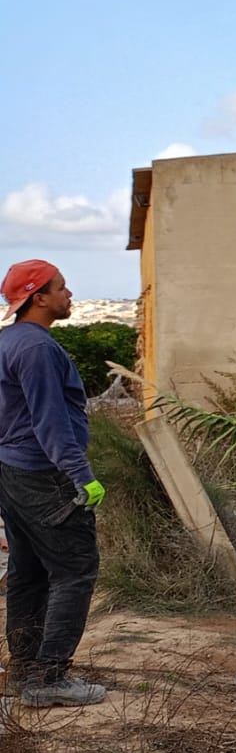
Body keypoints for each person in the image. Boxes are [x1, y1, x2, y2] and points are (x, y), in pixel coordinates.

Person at [0, 259, 107, 707]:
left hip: (13, 472)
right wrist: (82, 476)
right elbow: (51, 422)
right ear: (38, 297)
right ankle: (48, 678)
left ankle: (24, 670)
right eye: (61, 287)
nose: (69, 294)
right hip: (45, 476)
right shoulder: (37, 349)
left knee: (27, 571)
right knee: (75, 569)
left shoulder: (8, 341)